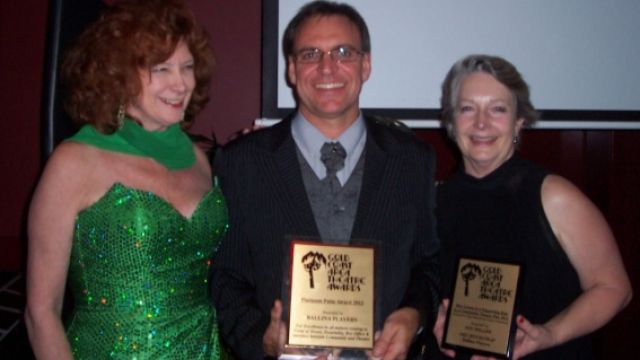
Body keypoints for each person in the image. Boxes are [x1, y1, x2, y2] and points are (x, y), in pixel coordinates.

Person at [210, 1, 440, 359]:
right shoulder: (242, 163)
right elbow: (226, 278)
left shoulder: (412, 160)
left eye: (343, 52)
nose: (327, 67)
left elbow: (429, 265)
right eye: (310, 54)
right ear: (290, 69)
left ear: (366, 65)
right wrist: (263, 339)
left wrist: (414, 316)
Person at [24, 0, 228, 358]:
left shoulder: (198, 159)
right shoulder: (75, 161)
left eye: (188, 66)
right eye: (161, 68)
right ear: (118, 74)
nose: (181, 83)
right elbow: (41, 313)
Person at [432, 54, 632, 359]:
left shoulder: (554, 196)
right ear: (450, 121)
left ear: (519, 122)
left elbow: (614, 288)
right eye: (467, 108)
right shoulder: (436, 201)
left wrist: (549, 334)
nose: (481, 123)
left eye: (498, 109)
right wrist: (435, 320)